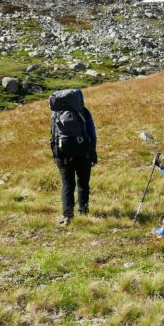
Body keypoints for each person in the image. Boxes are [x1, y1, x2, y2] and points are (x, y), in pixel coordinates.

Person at [49, 89, 97, 226]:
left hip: (62, 155)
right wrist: (92, 152)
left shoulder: (56, 113)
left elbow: (53, 135)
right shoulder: (84, 112)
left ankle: (67, 216)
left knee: (67, 185)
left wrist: (55, 154)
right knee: (83, 184)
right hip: (83, 153)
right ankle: (84, 212)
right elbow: (92, 134)